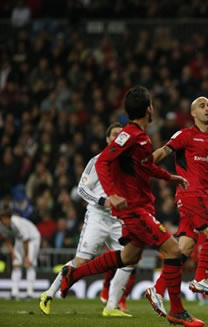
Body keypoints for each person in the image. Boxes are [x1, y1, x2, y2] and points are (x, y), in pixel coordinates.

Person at [59, 86, 204, 327]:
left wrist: (171, 177)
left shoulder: (141, 137)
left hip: (141, 207)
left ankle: (73, 274)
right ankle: (177, 311)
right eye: (152, 104)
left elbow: (146, 167)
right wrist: (113, 194)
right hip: (134, 210)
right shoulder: (129, 135)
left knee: (128, 257)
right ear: (148, 109)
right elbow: (105, 160)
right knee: (174, 251)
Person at [39, 122, 136, 317]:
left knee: (129, 260)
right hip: (98, 216)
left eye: (121, 134)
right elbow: (82, 189)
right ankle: (49, 293)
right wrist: (103, 200)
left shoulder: (127, 162)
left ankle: (111, 306)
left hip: (118, 219)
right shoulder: (98, 160)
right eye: (115, 134)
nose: (118, 137)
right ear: (108, 139)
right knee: (82, 260)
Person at [145, 96, 208, 315]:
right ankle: (200, 278)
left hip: (203, 197)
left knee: (183, 250)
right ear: (193, 113)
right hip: (191, 193)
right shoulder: (185, 135)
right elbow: (163, 151)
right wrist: (144, 164)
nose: (207, 109)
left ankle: (157, 289)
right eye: (202, 106)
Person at [0, 206, 41, 299]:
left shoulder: (17, 223)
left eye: (5, 218)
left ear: (9, 218)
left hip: (32, 238)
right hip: (20, 239)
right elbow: (7, 239)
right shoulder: (1, 225)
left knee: (29, 264)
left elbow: (26, 240)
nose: (3, 221)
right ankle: (15, 292)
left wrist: (26, 257)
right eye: (2, 219)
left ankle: (30, 293)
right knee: (16, 264)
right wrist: (13, 253)